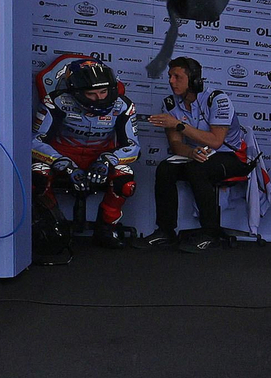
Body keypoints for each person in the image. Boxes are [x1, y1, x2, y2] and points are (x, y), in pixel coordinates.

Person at [141, 57, 256, 252]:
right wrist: (191, 152)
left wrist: (179, 125)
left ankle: (211, 234)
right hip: (200, 156)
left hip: (232, 156)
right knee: (165, 169)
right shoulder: (170, 104)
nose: (171, 81)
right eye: (170, 76)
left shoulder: (217, 100)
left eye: (177, 77)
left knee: (198, 169)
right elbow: (176, 144)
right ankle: (165, 232)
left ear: (194, 80)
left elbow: (216, 141)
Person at [30, 58, 139, 248]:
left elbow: (133, 146)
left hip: (100, 158)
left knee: (125, 181)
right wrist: (65, 164)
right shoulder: (55, 101)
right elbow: (34, 141)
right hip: (61, 157)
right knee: (36, 176)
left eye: (103, 92)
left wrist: (107, 161)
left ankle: (106, 228)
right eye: (92, 94)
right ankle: (54, 225)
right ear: (77, 92)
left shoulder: (123, 105)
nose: (100, 98)